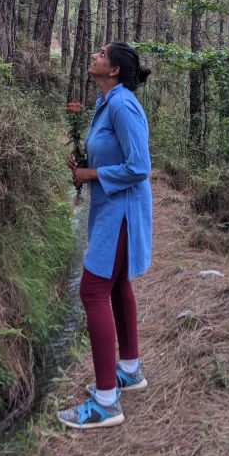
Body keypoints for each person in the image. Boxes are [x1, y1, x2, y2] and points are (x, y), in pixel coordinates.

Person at [58, 42, 152, 430]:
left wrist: (92, 176)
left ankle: (106, 401)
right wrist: (84, 164)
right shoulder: (105, 102)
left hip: (122, 214)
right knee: (114, 286)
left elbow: (139, 166)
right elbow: (112, 154)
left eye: (100, 53)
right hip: (112, 210)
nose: (94, 55)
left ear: (113, 70)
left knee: (92, 290)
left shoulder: (122, 104)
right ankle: (128, 369)